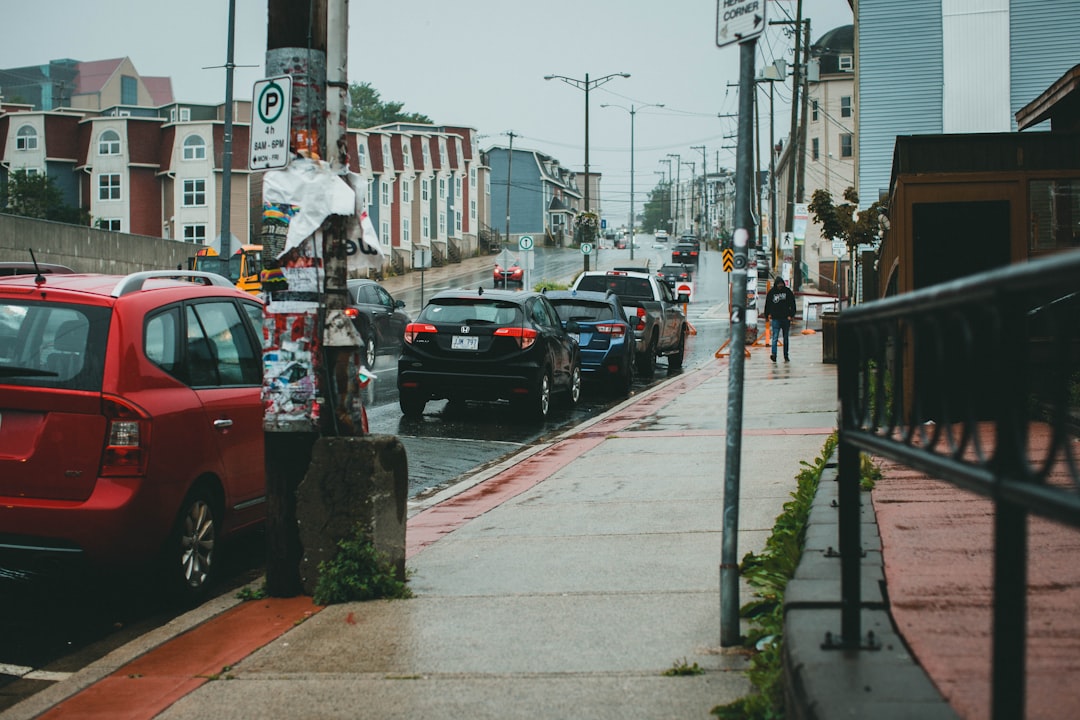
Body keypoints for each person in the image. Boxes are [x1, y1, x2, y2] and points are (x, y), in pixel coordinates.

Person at [764, 276, 796, 362]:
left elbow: (792, 304)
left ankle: (786, 355)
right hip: (776, 318)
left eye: (781, 284)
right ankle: (774, 354)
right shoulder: (771, 293)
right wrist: (767, 315)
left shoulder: (787, 292)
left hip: (786, 318)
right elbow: (768, 304)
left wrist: (791, 315)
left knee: (785, 338)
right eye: (779, 284)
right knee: (775, 337)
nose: (780, 286)